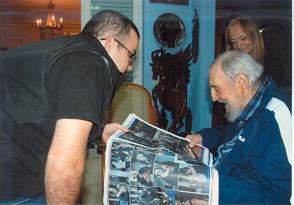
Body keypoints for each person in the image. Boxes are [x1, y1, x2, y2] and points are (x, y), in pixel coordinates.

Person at [0, 10, 140, 204]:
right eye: (131, 55)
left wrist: (100, 131)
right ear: (111, 43)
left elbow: (41, 110)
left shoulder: (66, 49)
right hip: (17, 187)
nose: (130, 66)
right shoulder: (91, 63)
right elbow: (64, 164)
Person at [187, 50, 291, 204]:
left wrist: (214, 192)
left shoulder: (274, 115)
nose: (213, 98)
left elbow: (274, 195)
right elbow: (231, 133)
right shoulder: (251, 105)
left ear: (241, 83)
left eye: (217, 88)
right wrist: (203, 137)